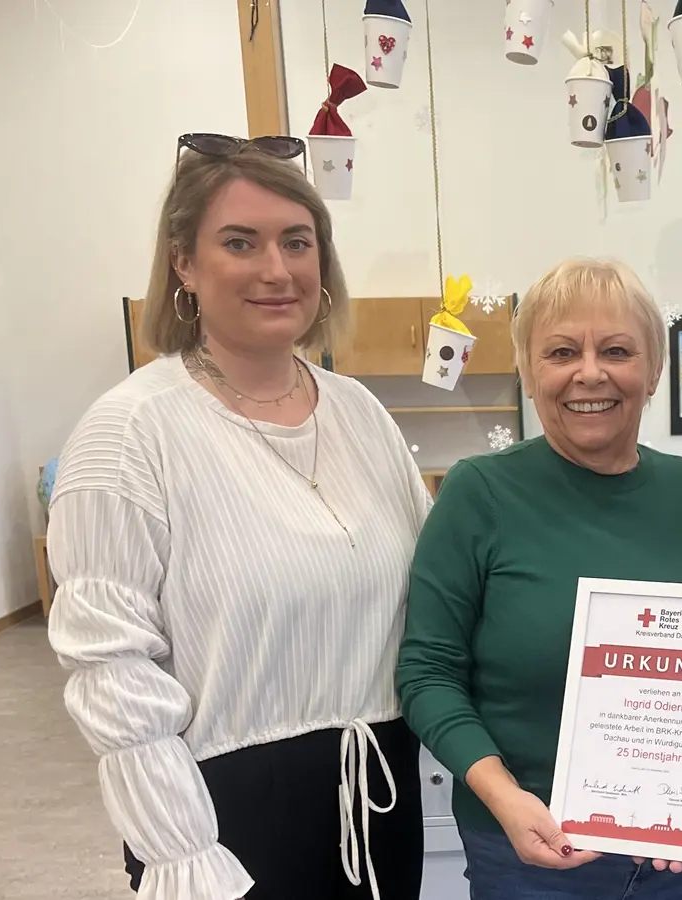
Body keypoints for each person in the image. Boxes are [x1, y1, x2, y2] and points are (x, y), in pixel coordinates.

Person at [46, 134, 430, 900]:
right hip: (225, 819)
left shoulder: (359, 412)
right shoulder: (129, 433)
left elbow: (435, 591)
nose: (276, 269)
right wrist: (185, 854)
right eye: (239, 242)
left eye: (297, 241)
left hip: (380, 793)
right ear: (184, 263)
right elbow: (110, 674)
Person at [397, 258, 682, 900]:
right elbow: (427, 672)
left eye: (616, 350)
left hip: (670, 858)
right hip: (527, 856)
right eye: (561, 352)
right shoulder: (480, 493)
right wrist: (503, 796)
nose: (589, 373)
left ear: (654, 369)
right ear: (529, 372)